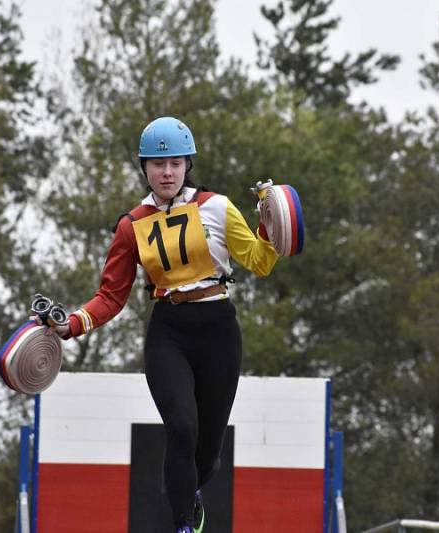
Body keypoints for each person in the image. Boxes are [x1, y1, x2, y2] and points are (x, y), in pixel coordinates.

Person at [44, 116, 280, 532]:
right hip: (169, 331)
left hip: (219, 330)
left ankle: (189, 491)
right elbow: (110, 295)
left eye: (174, 163)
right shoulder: (131, 224)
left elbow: (260, 261)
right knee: (182, 428)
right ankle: (184, 525)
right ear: (144, 168)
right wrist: (73, 324)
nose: (166, 172)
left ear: (188, 164)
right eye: (157, 164)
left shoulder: (217, 207)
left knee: (206, 456)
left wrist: (271, 221)